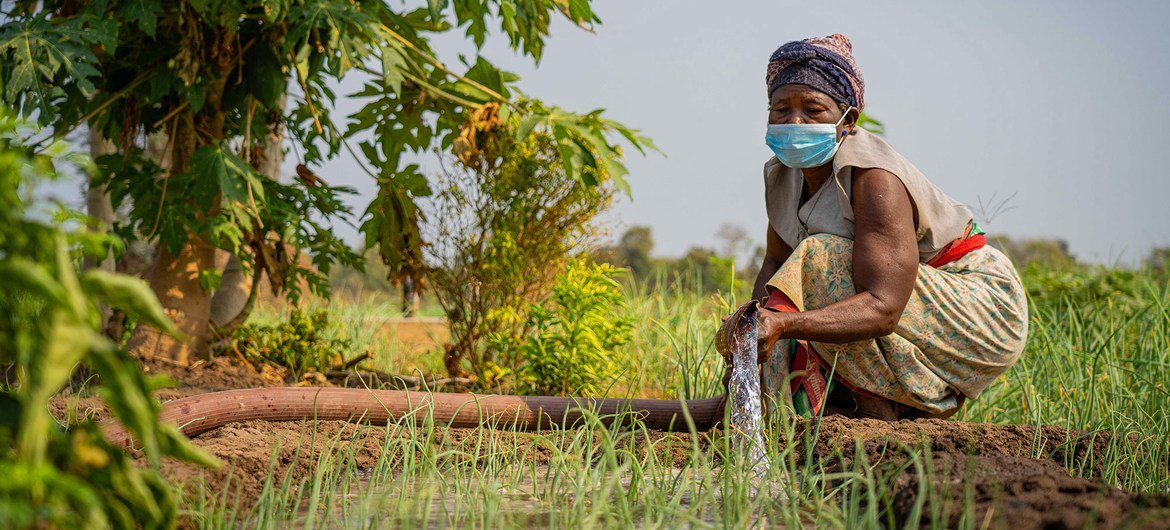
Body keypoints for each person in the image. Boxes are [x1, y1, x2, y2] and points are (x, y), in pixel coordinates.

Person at [740, 34, 1028, 421]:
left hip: (978, 307)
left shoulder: (873, 177)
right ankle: (786, 413)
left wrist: (783, 323)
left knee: (821, 257)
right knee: (784, 296)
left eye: (812, 109)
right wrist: (751, 325)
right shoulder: (779, 176)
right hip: (908, 300)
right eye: (781, 109)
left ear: (848, 120)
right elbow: (776, 263)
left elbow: (884, 307)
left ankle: (881, 413)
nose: (795, 121)